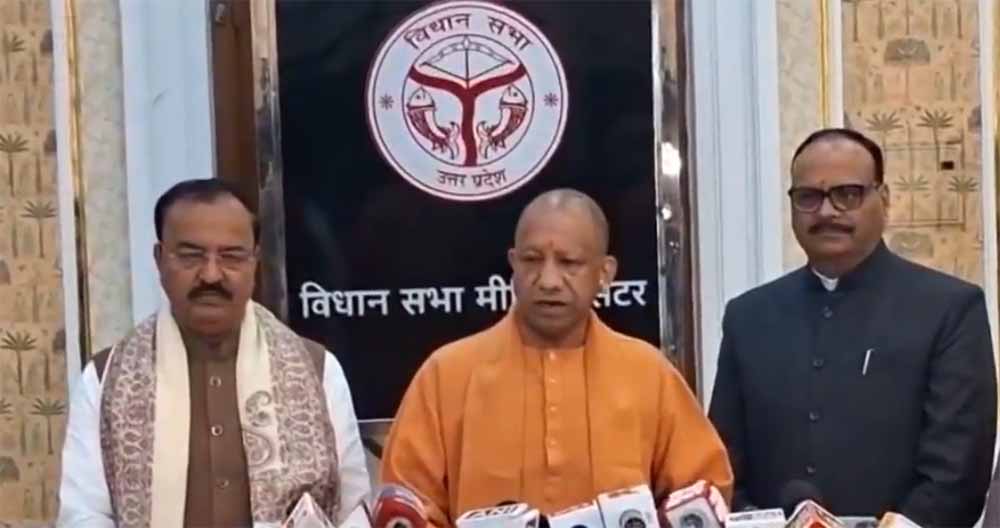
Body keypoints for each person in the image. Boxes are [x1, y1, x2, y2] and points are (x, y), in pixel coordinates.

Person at [381, 189, 733, 527]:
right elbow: (409, 509)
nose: (548, 280)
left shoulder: (647, 374)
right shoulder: (447, 375)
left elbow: (701, 497)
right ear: (513, 265)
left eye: (569, 262)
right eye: (532, 260)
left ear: (604, 273)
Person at [708, 128, 997, 526]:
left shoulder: (948, 308)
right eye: (809, 197)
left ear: (885, 199)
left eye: (848, 194)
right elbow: (721, 462)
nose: (827, 212)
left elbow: (958, 472)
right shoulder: (749, 317)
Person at [57, 179, 370, 527]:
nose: (210, 274)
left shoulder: (317, 370)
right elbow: (83, 515)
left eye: (231, 256)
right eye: (191, 255)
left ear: (254, 262)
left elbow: (354, 511)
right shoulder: (106, 379)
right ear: (159, 260)